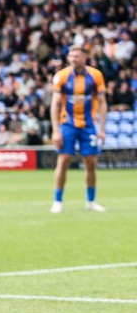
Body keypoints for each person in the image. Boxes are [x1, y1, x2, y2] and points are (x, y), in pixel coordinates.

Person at [50, 46, 107, 213]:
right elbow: (55, 104)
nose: (74, 59)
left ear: (84, 57)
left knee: (90, 162)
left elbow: (103, 103)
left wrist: (102, 129)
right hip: (67, 124)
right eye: (71, 56)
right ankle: (57, 201)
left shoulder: (95, 75)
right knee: (63, 160)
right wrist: (55, 130)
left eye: (77, 56)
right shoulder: (61, 76)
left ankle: (91, 201)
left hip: (88, 125)